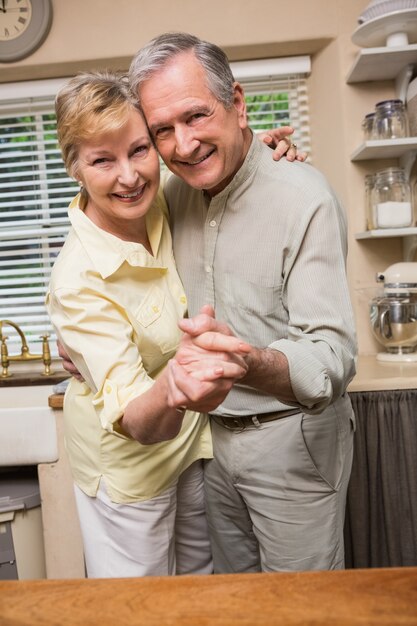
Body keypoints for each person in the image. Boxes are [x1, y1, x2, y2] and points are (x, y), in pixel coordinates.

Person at [48, 70, 300, 578]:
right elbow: (138, 423)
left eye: (139, 150)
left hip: (193, 450)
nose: (129, 176)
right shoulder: (78, 280)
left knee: (197, 595)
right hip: (131, 472)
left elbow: (216, 160)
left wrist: (261, 155)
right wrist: (176, 383)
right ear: (74, 168)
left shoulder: (163, 194)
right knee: (137, 611)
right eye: (102, 160)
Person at [126, 32, 358, 574]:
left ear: (236, 103)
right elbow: (109, 248)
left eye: (196, 116)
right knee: (235, 605)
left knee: (304, 613)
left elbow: (330, 356)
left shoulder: (304, 196)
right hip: (209, 448)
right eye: (163, 130)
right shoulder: (168, 197)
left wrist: (248, 361)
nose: (182, 145)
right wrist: (77, 334)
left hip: (293, 441)